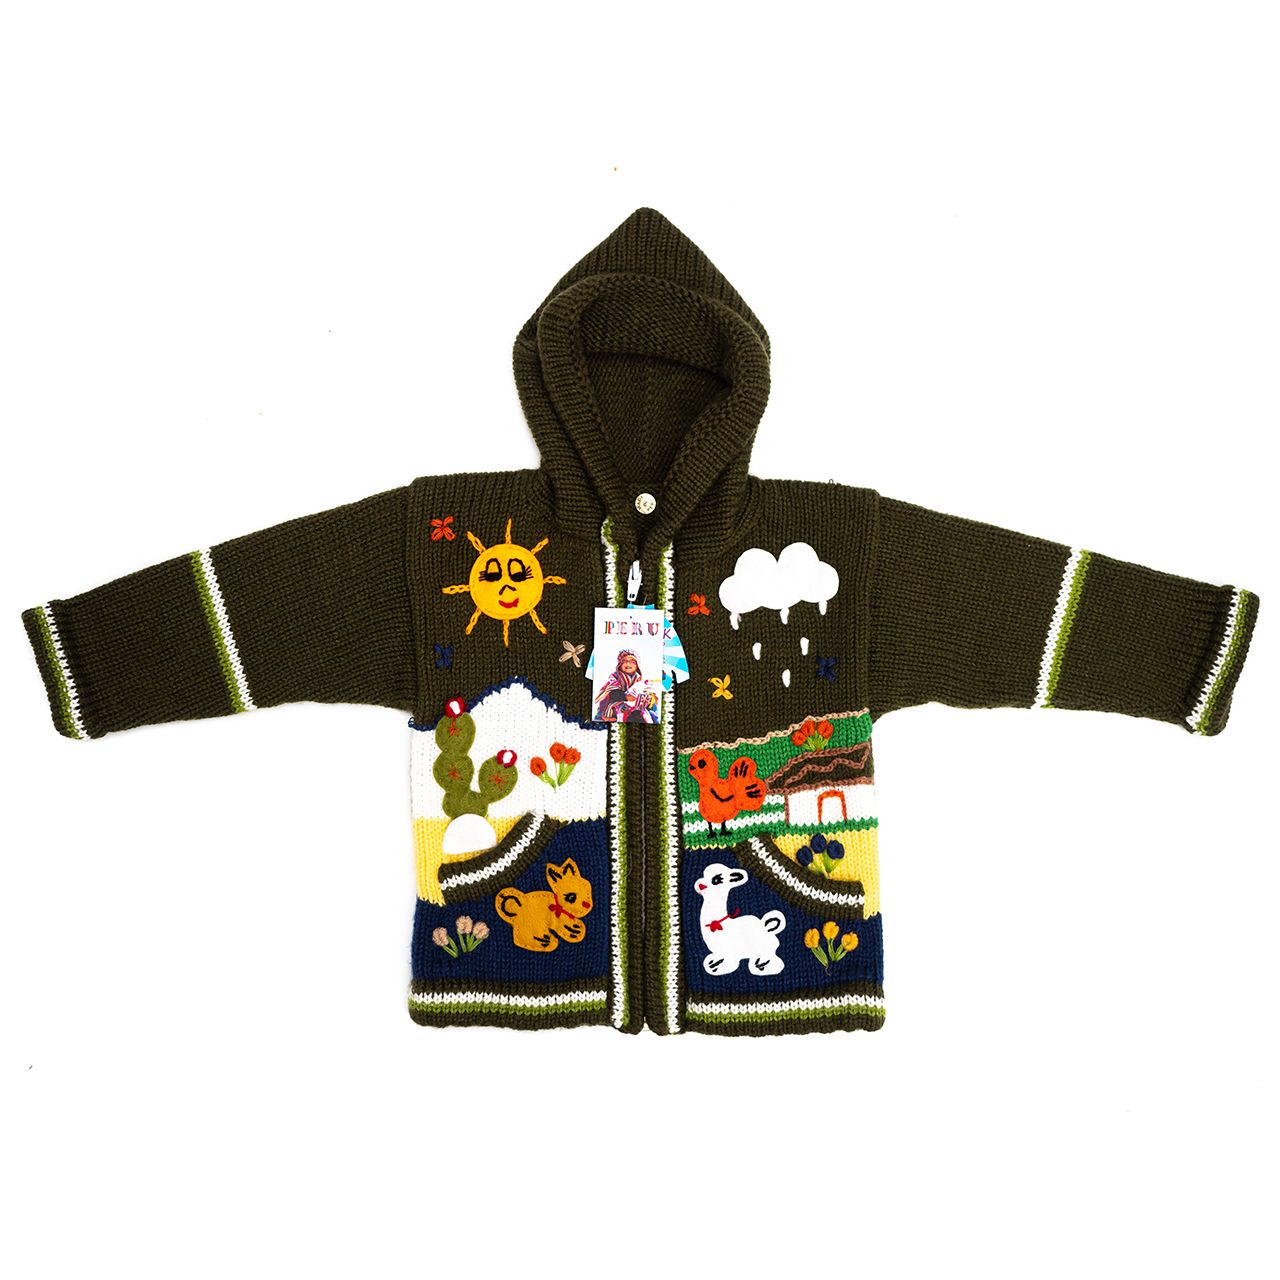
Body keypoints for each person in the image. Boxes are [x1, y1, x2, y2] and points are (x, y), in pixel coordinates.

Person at [593, 649, 659, 723]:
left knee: (652, 716)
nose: (628, 663)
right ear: (619, 664)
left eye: (632, 661)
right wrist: (625, 696)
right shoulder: (615, 677)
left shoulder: (642, 680)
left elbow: (651, 694)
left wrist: (648, 698)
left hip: (639, 709)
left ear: (637, 664)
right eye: (624, 660)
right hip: (618, 708)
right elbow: (612, 693)